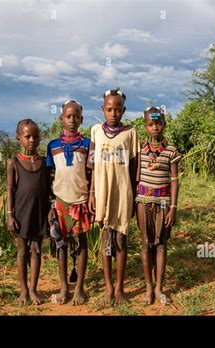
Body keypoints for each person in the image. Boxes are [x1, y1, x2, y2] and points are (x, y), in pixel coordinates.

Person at [88, 88, 139, 306]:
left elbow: (135, 168)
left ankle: (120, 288)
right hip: (101, 191)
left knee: (120, 239)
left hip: (122, 192)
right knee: (106, 239)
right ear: (103, 110)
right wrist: (91, 193)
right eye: (109, 109)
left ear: (123, 111)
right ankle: (108, 287)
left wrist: (136, 197)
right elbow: (91, 165)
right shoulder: (95, 131)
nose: (113, 113)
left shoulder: (130, 133)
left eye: (118, 110)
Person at [46, 100, 92, 305]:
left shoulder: (87, 144)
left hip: (81, 200)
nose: (72, 120)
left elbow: (91, 173)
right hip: (60, 201)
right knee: (61, 244)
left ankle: (79, 287)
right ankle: (64, 287)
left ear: (81, 119)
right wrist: (50, 204)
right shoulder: (52, 146)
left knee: (82, 244)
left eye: (76, 117)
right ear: (61, 118)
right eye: (68, 116)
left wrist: (92, 196)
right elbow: (48, 177)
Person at [135, 107, 181, 305]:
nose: (155, 128)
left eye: (159, 123)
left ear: (164, 124)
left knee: (161, 244)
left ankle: (159, 287)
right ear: (145, 126)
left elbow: (174, 180)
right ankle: (148, 287)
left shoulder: (171, 150)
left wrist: (173, 207)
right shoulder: (139, 149)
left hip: (163, 203)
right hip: (143, 201)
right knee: (146, 243)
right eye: (151, 124)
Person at [6, 119, 51, 305]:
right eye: (27, 136)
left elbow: (48, 190)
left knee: (36, 250)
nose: (32, 140)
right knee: (22, 251)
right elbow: (9, 190)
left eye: (35, 136)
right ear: (19, 138)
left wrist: (50, 211)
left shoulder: (43, 162)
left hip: (39, 212)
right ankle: (23, 290)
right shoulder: (13, 163)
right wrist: (10, 214)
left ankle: (33, 289)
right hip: (21, 214)